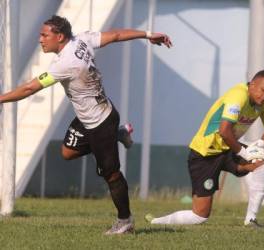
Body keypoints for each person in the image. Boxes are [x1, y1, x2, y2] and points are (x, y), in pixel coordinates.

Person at [0, 15, 172, 234]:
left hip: (100, 123)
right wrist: (147, 34)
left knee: (111, 175)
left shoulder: (66, 63)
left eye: (44, 35)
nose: (40, 39)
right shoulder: (82, 39)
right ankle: (119, 134)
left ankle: (125, 221)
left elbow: (29, 89)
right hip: (88, 118)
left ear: (59, 36)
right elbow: (117, 35)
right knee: (67, 152)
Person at [145, 70, 264, 228]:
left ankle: (251, 220)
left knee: (261, 163)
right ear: (252, 84)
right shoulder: (238, 95)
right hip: (204, 153)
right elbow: (224, 131)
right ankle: (156, 222)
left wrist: (259, 144)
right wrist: (244, 153)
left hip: (227, 148)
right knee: (199, 216)